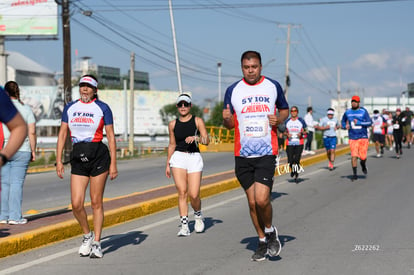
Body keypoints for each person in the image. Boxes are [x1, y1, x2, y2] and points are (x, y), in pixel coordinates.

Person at [222, 50, 289, 261]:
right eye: (246, 67)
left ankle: (270, 231)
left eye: (254, 67)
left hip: (266, 152)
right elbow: (230, 124)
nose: (250, 71)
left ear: (260, 67)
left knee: (262, 200)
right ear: (242, 67)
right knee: (252, 203)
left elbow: (284, 110)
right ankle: (261, 240)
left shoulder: (272, 86)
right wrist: (226, 119)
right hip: (242, 155)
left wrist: (278, 120)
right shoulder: (233, 90)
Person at [56, 75, 118, 258]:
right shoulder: (70, 107)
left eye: (88, 87)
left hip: (99, 157)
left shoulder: (103, 108)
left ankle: (97, 242)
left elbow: (111, 136)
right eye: (82, 86)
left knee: (96, 201)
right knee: (76, 204)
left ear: (95, 90)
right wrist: (59, 160)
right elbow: (62, 135)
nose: (84, 89)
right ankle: (87, 235)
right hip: (78, 156)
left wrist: (114, 163)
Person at [165, 93, 209, 237]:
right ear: (177, 107)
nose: (183, 107)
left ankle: (197, 215)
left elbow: (206, 140)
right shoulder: (172, 124)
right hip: (178, 158)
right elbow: (172, 144)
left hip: (194, 157)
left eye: (186, 104)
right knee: (182, 191)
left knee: (194, 194)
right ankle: (184, 225)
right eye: (180, 105)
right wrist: (167, 164)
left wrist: (196, 137)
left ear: (190, 106)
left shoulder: (197, 121)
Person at [0, 81, 36, 225]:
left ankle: (2, 215)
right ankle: (15, 217)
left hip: (5, 148)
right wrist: (33, 150)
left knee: (4, 184)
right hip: (22, 148)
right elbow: (31, 132)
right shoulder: (25, 109)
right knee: (16, 183)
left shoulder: (3, 107)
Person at [341, 95, 372, 181]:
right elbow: (343, 121)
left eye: (355, 101)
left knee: (363, 157)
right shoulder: (347, 112)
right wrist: (344, 126)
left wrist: (359, 122)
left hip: (363, 137)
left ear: (359, 103)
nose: (354, 103)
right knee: (354, 156)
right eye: (352, 101)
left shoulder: (363, 111)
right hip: (352, 137)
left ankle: (363, 164)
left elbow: (369, 122)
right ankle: (354, 174)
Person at [284, 106, 307, 182]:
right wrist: (287, 134)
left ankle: (296, 173)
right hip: (289, 143)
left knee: (296, 160)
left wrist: (302, 133)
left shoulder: (301, 121)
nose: (293, 112)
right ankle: (294, 170)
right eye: (292, 111)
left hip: (299, 143)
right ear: (290, 112)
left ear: (297, 112)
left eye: (295, 111)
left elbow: (306, 130)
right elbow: (283, 131)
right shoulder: (287, 121)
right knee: (290, 161)